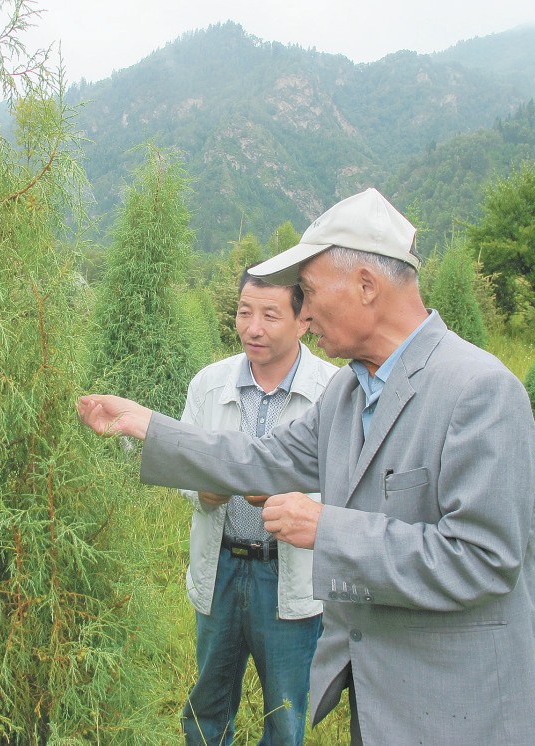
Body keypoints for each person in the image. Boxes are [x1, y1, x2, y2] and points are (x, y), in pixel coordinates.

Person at [78, 188, 535, 746]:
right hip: (379, 705)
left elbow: (484, 558)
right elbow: (263, 458)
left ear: (366, 286)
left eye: (308, 293)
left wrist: (328, 530)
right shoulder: (349, 392)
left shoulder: (480, 391)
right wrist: (148, 426)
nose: (303, 313)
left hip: (460, 712)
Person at [178, 267, 337, 746]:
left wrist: (289, 499)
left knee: (285, 712)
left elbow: (347, 488)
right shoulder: (209, 384)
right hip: (223, 563)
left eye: (270, 315)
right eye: (245, 312)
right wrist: (202, 492)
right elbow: (184, 465)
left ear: (303, 319)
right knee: (208, 701)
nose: (253, 327)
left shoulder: (334, 391)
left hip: (286, 574)